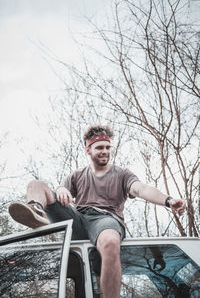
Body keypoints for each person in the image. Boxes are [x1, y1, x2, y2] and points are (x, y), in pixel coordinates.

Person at [9, 125, 186, 298]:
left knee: (110, 241)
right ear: (88, 150)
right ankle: (37, 211)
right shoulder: (77, 175)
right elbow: (61, 192)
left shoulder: (122, 174)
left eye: (108, 147)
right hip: (77, 220)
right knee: (36, 185)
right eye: (100, 147)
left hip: (106, 220)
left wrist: (168, 201)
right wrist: (61, 189)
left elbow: (141, 189)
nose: (105, 151)